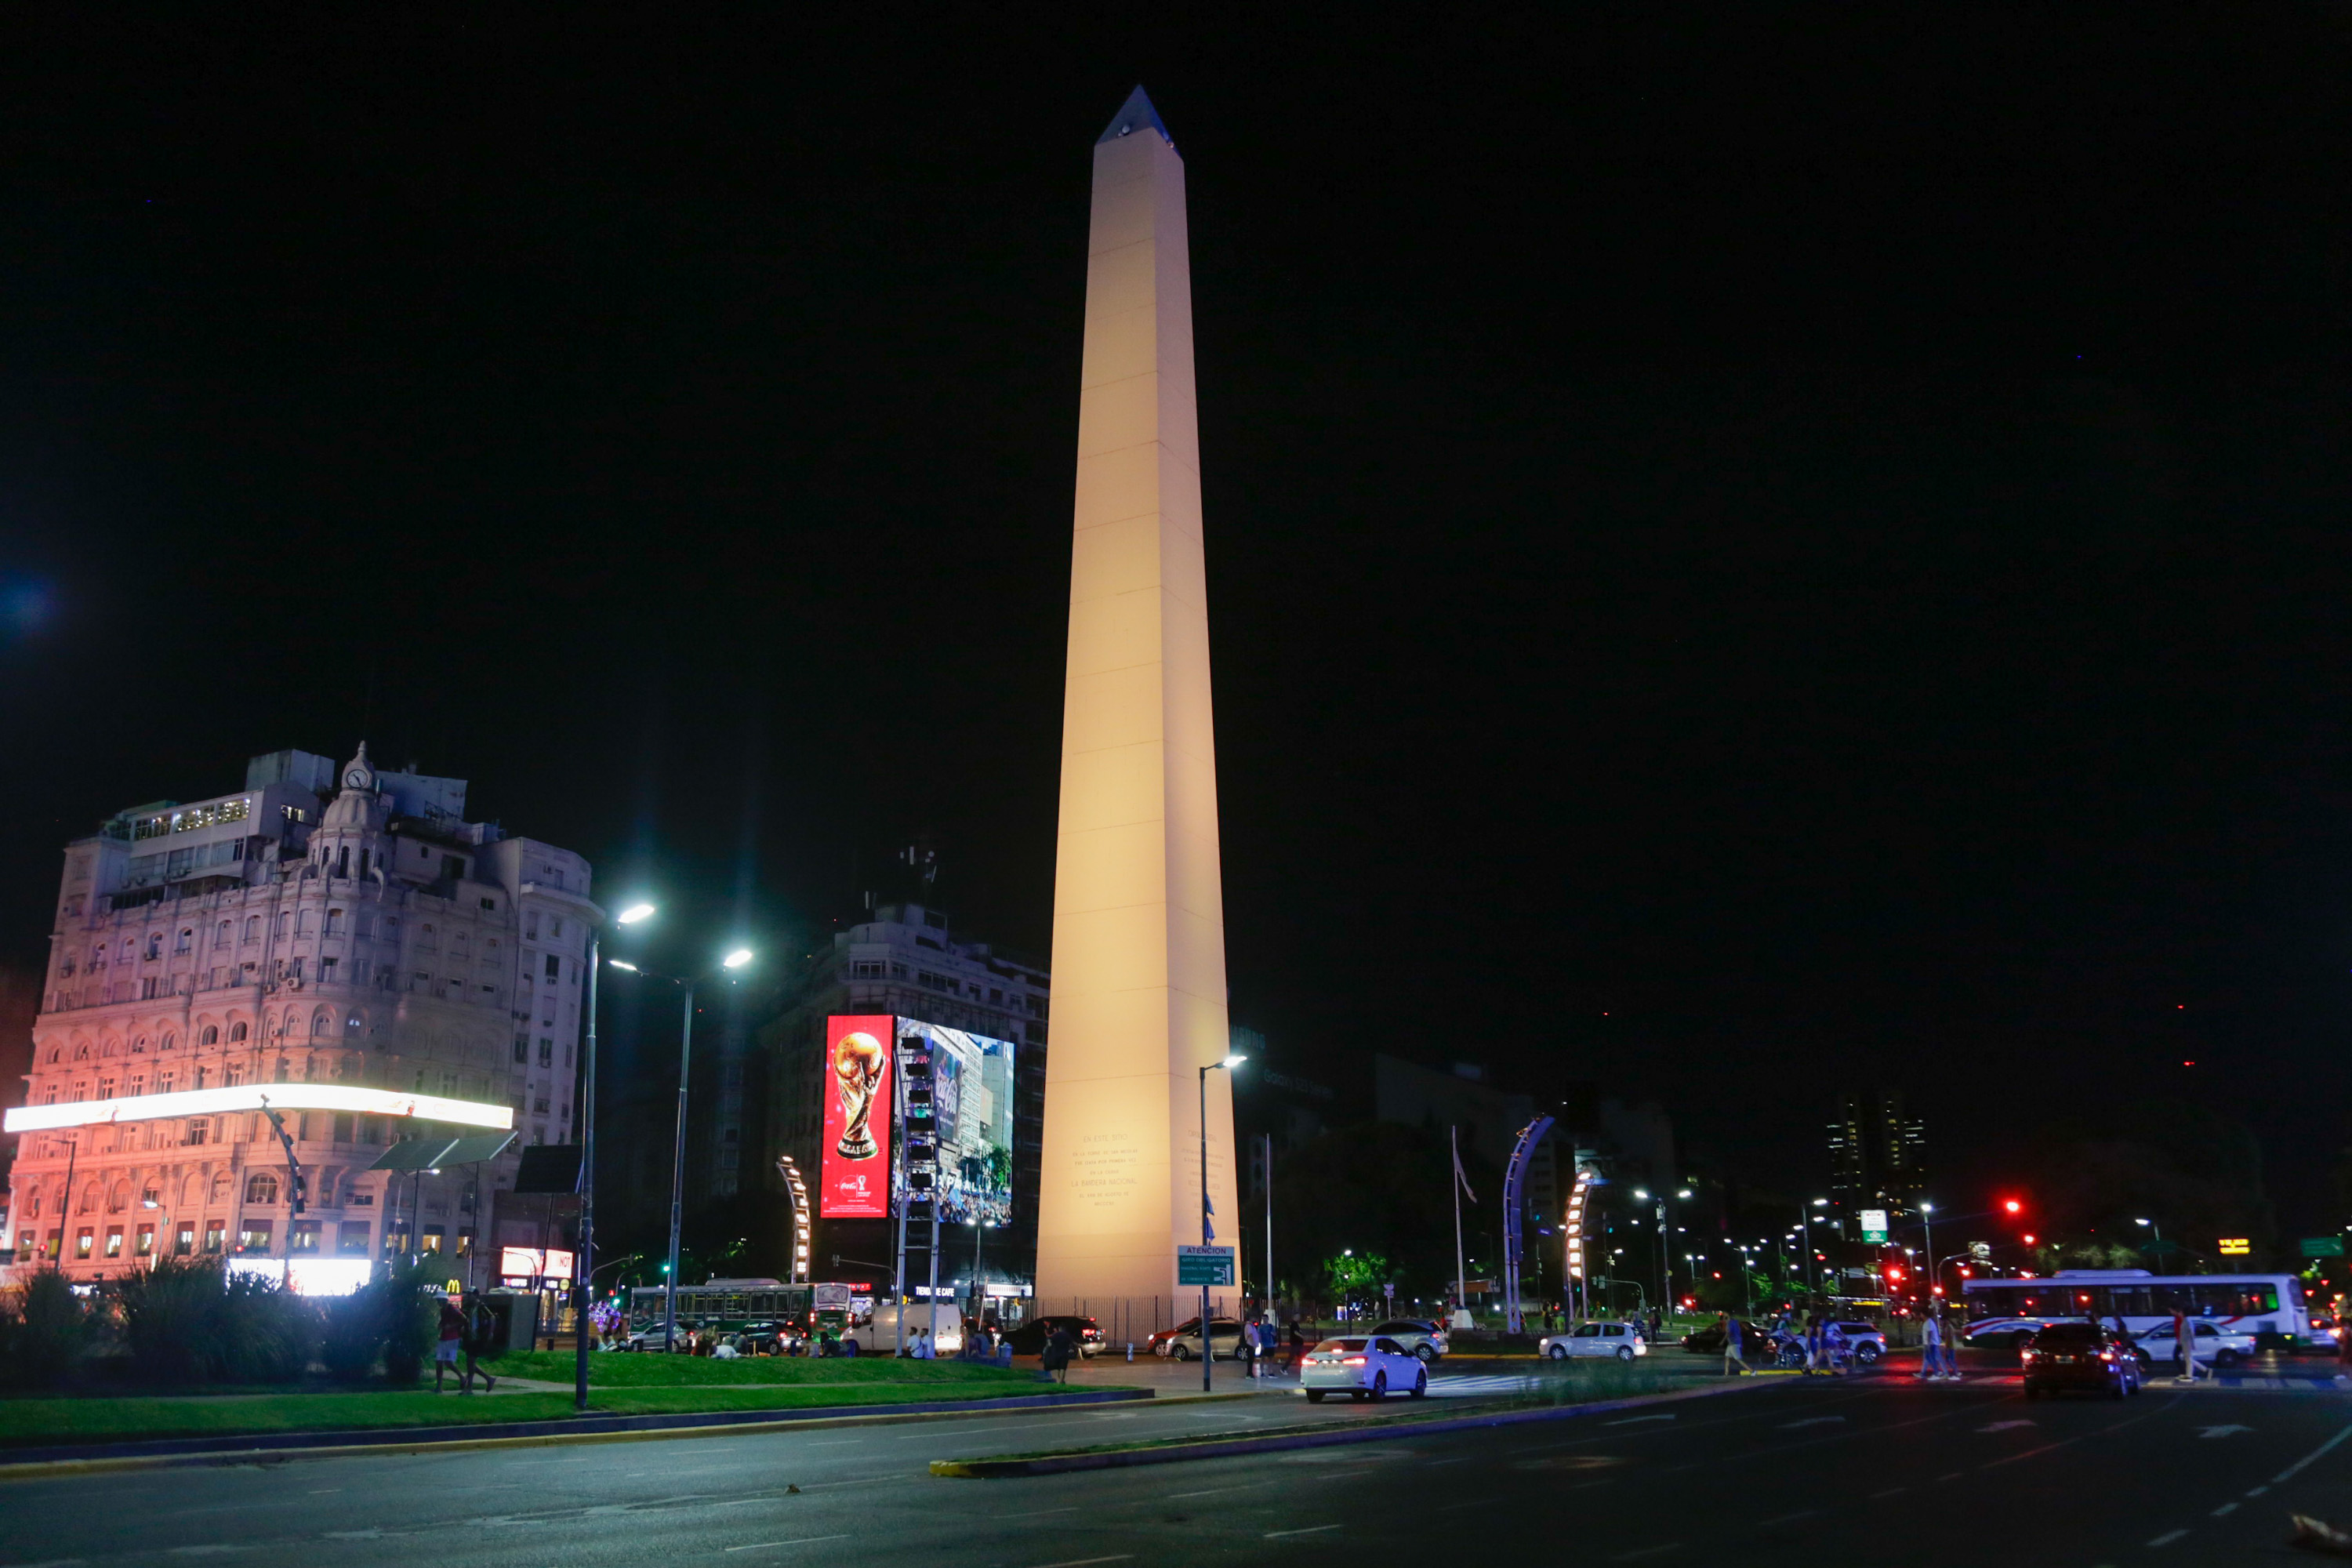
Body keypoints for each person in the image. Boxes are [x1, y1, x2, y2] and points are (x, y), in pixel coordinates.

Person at [462, 1294, 499, 1395]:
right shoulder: (471, 1308)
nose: (468, 1297)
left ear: (475, 1296)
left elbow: (492, 1317)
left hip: (477, 1338)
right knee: (470, 1363)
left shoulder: (481, 1307)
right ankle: (488, 1379)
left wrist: (490, 1332)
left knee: (470, 1362)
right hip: (471, 1338)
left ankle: (470, 1388)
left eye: (470, 1295)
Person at [434, 1297, 467, 1392]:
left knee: (447, 1362)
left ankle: (461, 1377)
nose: (437, 1302)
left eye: (438, 1300)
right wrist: (440, 1325)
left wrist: (452, 1326)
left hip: (452, 1337)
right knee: (439, 1361)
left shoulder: (453, 1309)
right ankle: (439, 1386)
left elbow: (463, 1319)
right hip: (444, 1337)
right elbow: (444, 1321)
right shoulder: (443, 1310)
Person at [1918, 1311, 1943, 1381]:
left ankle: (1936, 1373)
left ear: (1924, 1315)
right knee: (1928, 1358)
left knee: (1931, 1359)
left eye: (1921, 1314)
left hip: (1931, 1344)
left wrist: (1928, 1343)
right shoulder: (1927, 1322)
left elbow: (1929, 1333)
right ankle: (1926, 1373)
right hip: (1929, 1343)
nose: (1921, 1315)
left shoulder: (1929, 1322)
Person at [1722, 1313, 1748, 1377]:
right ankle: (1726, 1373)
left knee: (1738, 1359)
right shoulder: (1736, 1323)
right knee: (1727, 1357)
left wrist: (1722, 1341)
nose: (1724, 1321)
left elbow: (1728, 1333)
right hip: (1733, 1343)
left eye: (1724, 1319)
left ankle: (1752, 1371)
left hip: (1734, 1343)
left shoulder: (1729, 1324)